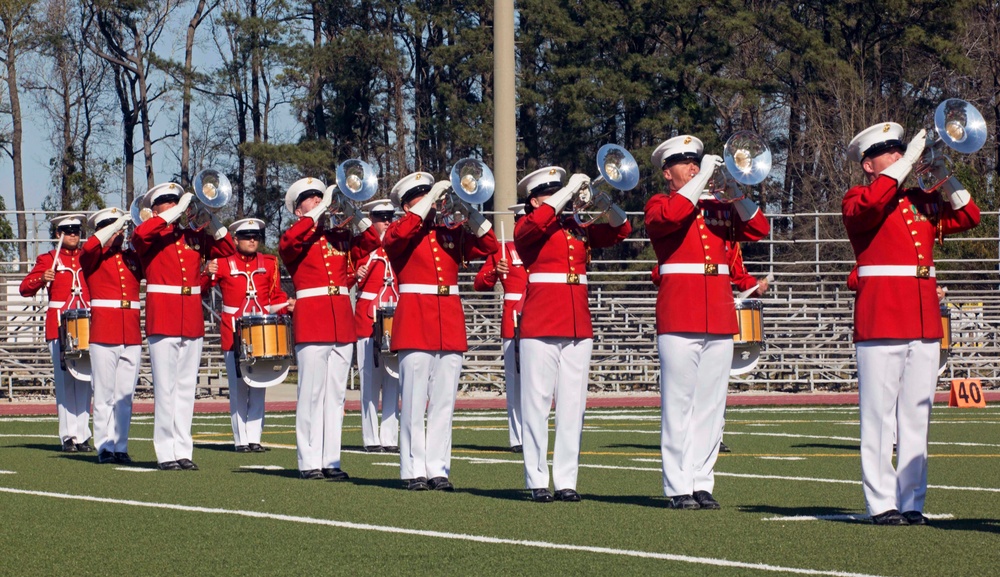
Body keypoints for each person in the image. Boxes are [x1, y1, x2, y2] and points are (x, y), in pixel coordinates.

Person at [843, 122, 979, 525]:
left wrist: (943, 174)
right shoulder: (858, 198)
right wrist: (901, 170)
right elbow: (871, 204)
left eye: (902, 149)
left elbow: (969, 215)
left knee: (917, 415)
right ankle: (882, 502)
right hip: (882, 317)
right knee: (880, 416)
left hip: (922, 318)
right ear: (869, 164)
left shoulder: (921, 201)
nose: (900, 155)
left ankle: (912, 502)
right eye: (891, 151)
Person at [645, 135, 770, 510]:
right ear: (668, 172)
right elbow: (671, 217)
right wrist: (703, 184)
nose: (693, 166)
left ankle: (702, 481)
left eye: (695, 161)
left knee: (712, 407)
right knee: (678, 405)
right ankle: (677, 485)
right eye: (684, 163)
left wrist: (734, 191)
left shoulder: (719, 206)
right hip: (679, 312)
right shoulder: (660, 203)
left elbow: (759, 228)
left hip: (717, 311)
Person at [514, 167, 632, 503]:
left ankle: (566, 480)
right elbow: (536, 225)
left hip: (578, 323)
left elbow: (621, 229)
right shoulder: (529, 226)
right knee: (536, 404)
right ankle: (537, 479)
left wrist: (600, 199)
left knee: (572, 407)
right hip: (541, 321)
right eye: (548, 193)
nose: (558, 198)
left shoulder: (576, 227)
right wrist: (566, 192)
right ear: (534, 200)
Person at [383, 172, 499, 491]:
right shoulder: (401, 230)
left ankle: (438, 469)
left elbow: (489, 244)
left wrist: (470, 210)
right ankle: (412, 469)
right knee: (415, 400)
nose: (431, 201)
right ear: (408, 204)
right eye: (421, 196)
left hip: (448, 321)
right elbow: (395, 237)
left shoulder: (450, 231)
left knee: (443, 403)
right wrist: (427, 202)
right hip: (416, 320)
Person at [279, 178, 378, 481]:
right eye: (311, 199)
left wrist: (354, 210)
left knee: (335, 396)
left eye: (319, 196)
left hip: (341, 322)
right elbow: (287, 244)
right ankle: (309, 460)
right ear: (299, 210)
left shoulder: (339, 237)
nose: (318, 201)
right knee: (311, 393)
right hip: (313, 321)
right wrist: (317, 212)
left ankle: (330, 460)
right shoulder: (297, 237)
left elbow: (373, 240)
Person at [132, 183, 235, 471]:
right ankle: (165, 451)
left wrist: (209, 217)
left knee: (186, 388)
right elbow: (139, 234)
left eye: (175, 201)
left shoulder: (193, 237)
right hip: (163, 317)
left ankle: (183, 449)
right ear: (155, 210)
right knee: (165, 388)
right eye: (166, 202)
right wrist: (175, 212)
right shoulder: (149, 234)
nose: (173, 205)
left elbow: (227, 249)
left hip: (190, 318)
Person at [208, 218, 291, 453]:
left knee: (259, 384)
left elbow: (275, 296)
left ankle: (255, 437)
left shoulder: (270, 263)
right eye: (246, 236)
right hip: (233, 331)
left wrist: (285, 306)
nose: (252, 240)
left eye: (255, 236)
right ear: (235, 239)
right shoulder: (223, 263)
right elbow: (203, 285)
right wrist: (207, 271)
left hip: (262, 332)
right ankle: (240, 439)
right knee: (238, 388)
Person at [19, 214, 93, 452]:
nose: (74, 235)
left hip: (85, 323)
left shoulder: (87, 258)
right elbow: (24, 288)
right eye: (69, 231)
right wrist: (42, 278)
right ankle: (68, 436)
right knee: (64, 381)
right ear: (58, 235)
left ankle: (83, 434)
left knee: (85, 380)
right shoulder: (48, 259)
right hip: (60, 324)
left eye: (77, 231)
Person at [79, 207, 143, 464]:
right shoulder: (94, 258)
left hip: (131, 333)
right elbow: (89, 248)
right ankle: (104, 446)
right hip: (104, 332)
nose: (120, 233)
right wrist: (112, 228)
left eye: (121, 228)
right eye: (114, 228)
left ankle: (121, 445)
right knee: (104, 394)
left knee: (125, 396)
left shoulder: (131, 257)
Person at [473, 204, 528, 454]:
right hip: (514, 317)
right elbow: (479, 283)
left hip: (542, 314)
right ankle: (518, 437)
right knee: (515, 380)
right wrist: (496, 270)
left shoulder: (546, 247)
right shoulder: (504, 250)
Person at [352, 199, 401, 454]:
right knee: (370, 381)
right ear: (370, 220)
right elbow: (349, 272)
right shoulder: (362, 247)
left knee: (394, 378)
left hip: (395, 314)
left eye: (389, 217)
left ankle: (390, 436)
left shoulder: (399, 245)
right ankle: (371, 437)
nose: (386, 222)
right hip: (369, 317)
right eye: (381, 217)